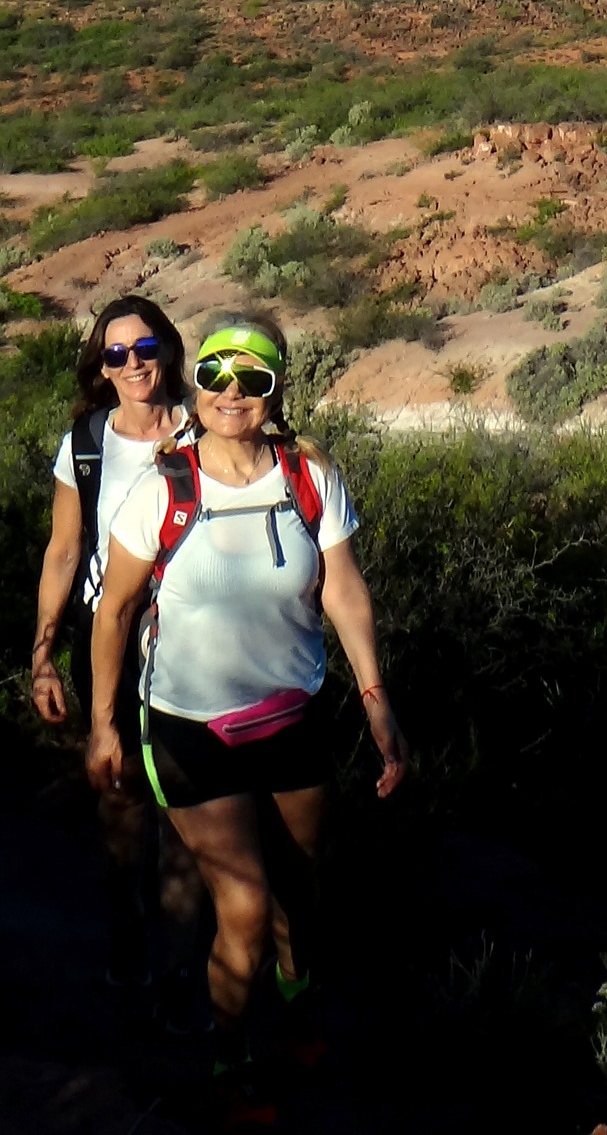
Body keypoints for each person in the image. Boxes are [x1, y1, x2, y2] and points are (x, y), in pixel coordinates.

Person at [86, 310, 408, 1097]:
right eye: (217, 376)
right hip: (190, 731)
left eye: (254, 380)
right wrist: (104, 724)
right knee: (247, 908)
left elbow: (343, 585)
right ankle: (232, 1060)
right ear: (195, 381)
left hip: (292, 717)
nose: (233, 394)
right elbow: (116, 612)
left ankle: (296, 1006)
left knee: (302, 896)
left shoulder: (309, 475)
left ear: (277, 389)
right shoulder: (162, 488)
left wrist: (374, 696)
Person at [31, 294, 191, 986]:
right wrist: (41, 653)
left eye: (145, 350)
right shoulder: (87, 444)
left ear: (167, 352)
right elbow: (65, 553)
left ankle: (187, 968)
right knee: (121, 793)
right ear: (102, 363)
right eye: (117, 353)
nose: (133, 365)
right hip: (110, 637)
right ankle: (130, 943)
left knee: (191, 804)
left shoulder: (207, 425)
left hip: (195, 639)